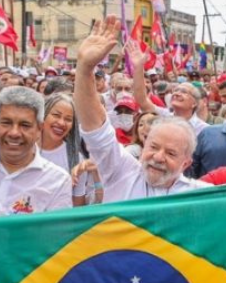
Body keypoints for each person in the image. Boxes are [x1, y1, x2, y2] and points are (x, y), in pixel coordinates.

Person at [73, 16, 211, 202]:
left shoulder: (202, 197)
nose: (158, 157)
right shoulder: (121, 171)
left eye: (170, 153)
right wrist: (84, 68)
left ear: (186, 163)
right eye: (153, 147)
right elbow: (96, 129)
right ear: (143, 145)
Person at [0, 86, 72, 214]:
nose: (14, 133)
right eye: (6, 122)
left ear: (39, 129)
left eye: (25, 125)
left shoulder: (57, 181)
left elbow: (57, 231)